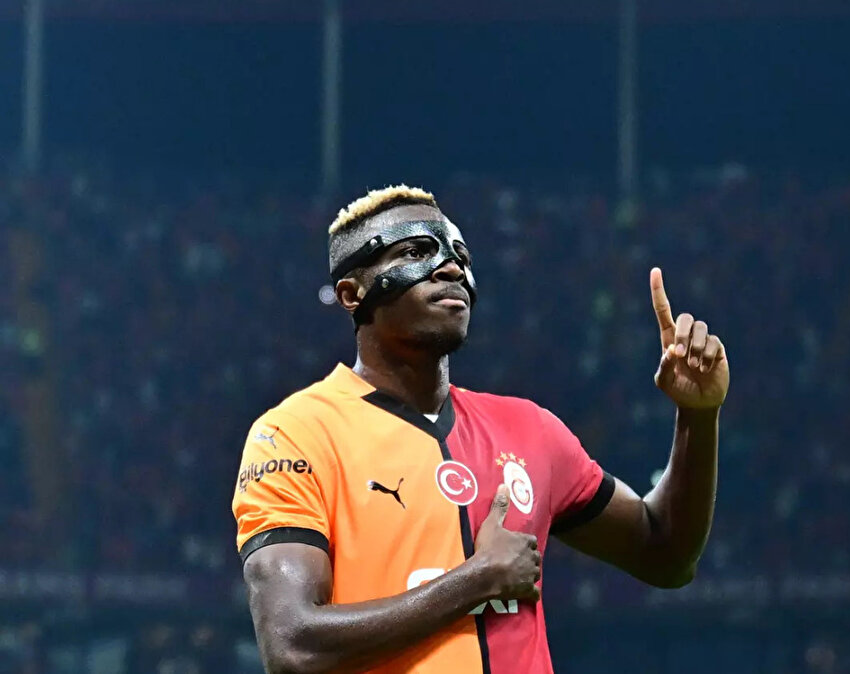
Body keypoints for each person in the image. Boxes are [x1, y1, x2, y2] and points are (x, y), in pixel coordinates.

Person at [231, 185, 728, 674]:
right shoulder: (296, 434)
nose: (451, 268)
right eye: (415, 252)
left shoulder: (531, 430)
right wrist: (477, 579)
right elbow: (292, 646)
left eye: (459, 256)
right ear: (351, 293)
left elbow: (666, 555)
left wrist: (698, 415)